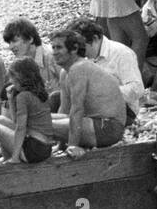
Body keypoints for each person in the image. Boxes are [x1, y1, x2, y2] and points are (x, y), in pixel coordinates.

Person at [51, 27, 126, 155]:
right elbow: (64, 109)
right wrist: (61, 145)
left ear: (74, 49)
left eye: (59, 48)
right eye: (53, 48)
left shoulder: (79, 68)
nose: (54, 52)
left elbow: (77, 110)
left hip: (108, 128)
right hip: (92, 123)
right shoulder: (65, 72)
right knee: (37, 117)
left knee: (37, 123)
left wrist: (73, 145)